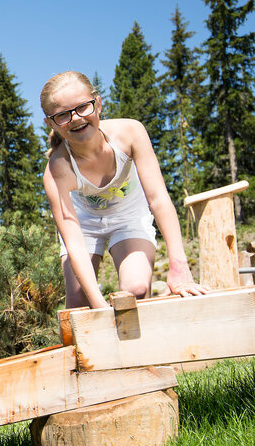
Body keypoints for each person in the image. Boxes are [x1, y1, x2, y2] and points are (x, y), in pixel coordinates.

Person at [40, 71, 209, 309]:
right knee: (78, 301)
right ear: (50, 123)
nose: (76, 118)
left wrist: (178, 267)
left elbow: (158, 198)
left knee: (136, 290)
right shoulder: (57, 170)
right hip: (85, 224)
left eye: (82, 108)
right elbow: (74, 243)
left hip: (128, 217)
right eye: (63, 115)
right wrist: (99, 306)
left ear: (97, 103)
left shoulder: (130, 133)